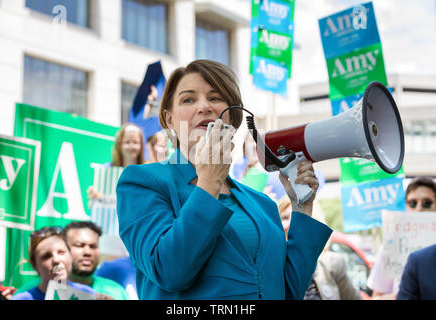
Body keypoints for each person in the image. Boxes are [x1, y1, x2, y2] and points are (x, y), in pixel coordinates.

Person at [116, 59, 332, 300]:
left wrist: (302, 207)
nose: (204, 107)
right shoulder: (141, 182)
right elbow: (170, 271)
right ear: (169, 120)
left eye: (216, 98)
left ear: (234, 116)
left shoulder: (262, 204)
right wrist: (208, 184)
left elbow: (288, 293)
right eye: (188, 99)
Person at [277, 195, 361, 300]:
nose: (292, 223)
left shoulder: (333, 264)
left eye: (299, 216)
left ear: (315, 224)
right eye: (285, 217)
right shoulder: (269, 267)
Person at [367, 176, 436, 300]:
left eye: (426, 203)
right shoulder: (391, 246)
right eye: (413, 203)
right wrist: (405, 292)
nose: (419, 209)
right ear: (406, 206)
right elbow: (376, 297)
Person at [11, 226, 96, 300]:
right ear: (35, 266)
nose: (56, 260)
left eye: (61, 252)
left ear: (70, 256)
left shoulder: (88, 295)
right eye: (46, 256)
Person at [63, 221, 129, 300]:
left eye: (93, 246)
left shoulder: (116, 292)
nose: (87, 252)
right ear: (63, 249)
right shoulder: (51, 290)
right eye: (80, 245)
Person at [87, 122, 145, 200]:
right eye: (127, 142)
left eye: (135, 142)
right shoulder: (106, 170)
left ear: (141, 146)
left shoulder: (146, 173)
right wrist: (93, 195)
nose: (131, 146)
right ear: (119, 145)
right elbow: (93, 202)